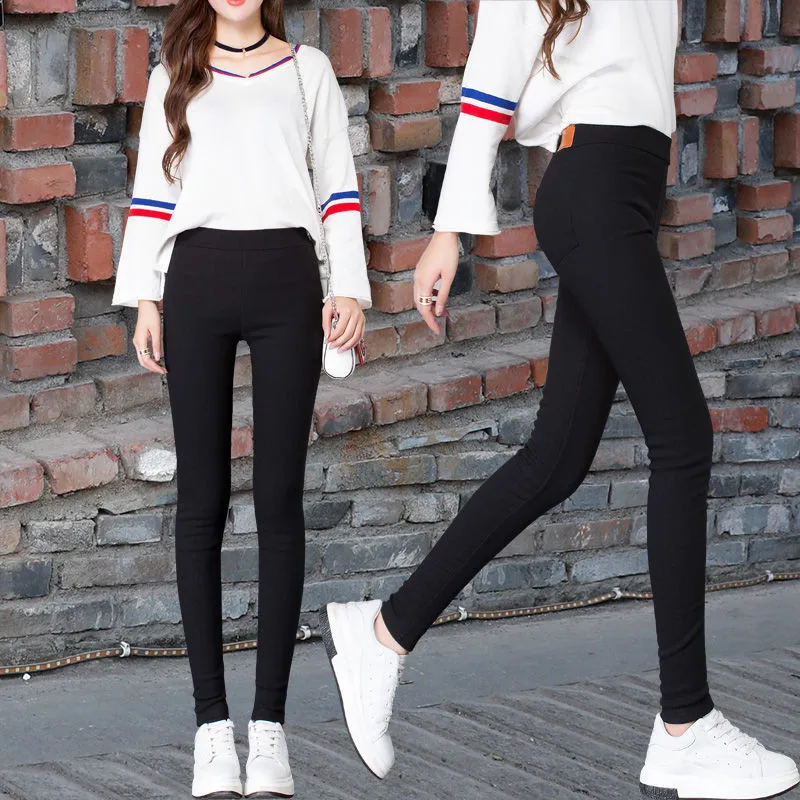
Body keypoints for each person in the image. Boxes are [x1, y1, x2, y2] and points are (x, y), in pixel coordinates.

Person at [319, 2, 800, 799]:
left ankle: (385, 632)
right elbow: (491, 74)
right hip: (595, 187)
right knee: (683, 437)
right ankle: (686, 725)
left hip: (624, 190)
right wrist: (449, 231)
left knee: (559, 455)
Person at [111, 0, 370, 795]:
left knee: (279, 497)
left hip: (289, 285)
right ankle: (210, 730)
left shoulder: (308, 71)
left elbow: (337, 185)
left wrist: (349, 286)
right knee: (202, 499)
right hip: (195, 285)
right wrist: (145, 297)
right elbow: (154, 189)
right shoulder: (174, 74)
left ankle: (270, 731)